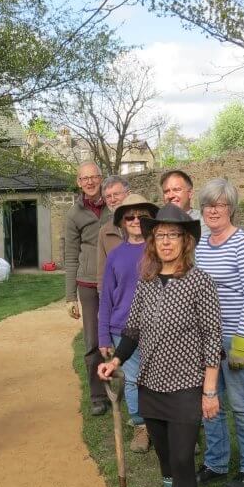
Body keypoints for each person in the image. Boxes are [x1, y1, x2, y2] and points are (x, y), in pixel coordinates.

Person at [97, 204, 222, 487]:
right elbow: (132, 330)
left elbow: (212, 338)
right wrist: (116, 361)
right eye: (160, 236)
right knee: (166, 459)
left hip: (186, 386)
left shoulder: (199, 281)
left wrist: (210, 391)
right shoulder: (148, 281)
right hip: (150, 385)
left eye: (174, 235)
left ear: (186, 241)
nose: (166, 242)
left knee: (184, 460)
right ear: (153, 242)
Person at [195, 178, 244, 487]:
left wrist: (241, 342)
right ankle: (216, 463)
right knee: (210, 403)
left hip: (238, 337)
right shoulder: (200, 244)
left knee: (241, 402)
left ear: (231, 209)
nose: (214, 210)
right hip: (209, 337)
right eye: (209, 205)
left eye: (220, 205)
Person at [98, 193, 158, 453]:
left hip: (158, 326)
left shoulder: (161, 249)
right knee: (133, 380)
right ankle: (141, 427)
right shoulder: (115, 255)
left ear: (151, 219)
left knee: (161, 378)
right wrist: (102, 337)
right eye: (130, 216)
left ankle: (168, 426)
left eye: (142, 216)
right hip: (122, 328)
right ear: (121, 222)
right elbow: (106, 297)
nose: (136, 220)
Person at [64, 161, 112, 414]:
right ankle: (97, 396)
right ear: (78, 182)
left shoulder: (114, 204)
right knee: (93, 340)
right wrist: (70, 296)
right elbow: (70, 256)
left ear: (101, 178)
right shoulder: (74, 214)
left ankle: (127, 386)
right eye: (85, 178)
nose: (90, 182)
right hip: (89, 284)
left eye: (94, 177)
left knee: (123, 334)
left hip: (115, 281)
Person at [96, 175, 130, 285]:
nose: (113, 200)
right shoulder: (104, 231)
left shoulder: (145, 224)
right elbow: (102, 269)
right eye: (108, 197)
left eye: (116, 194)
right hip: (118, 293)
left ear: (128, 194)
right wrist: (102, 294)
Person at [159, 168, 208, 236]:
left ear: (190, 193)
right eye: (166, 192)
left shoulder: (205, 221)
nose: (170, 196)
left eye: (176, 190)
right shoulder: (156, 224)